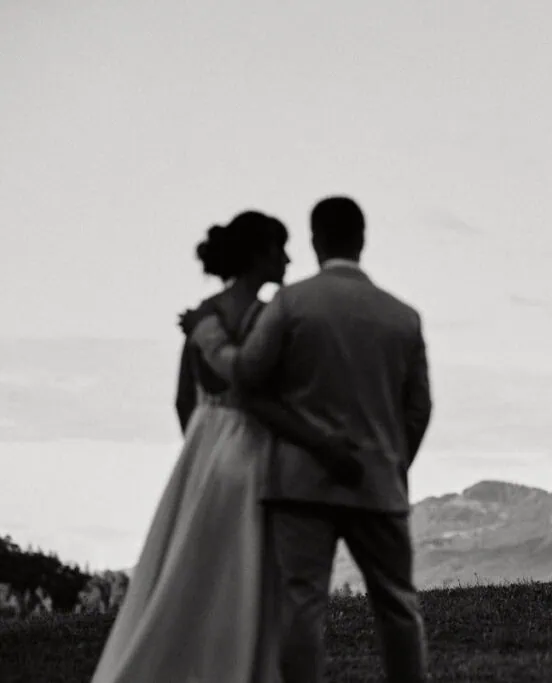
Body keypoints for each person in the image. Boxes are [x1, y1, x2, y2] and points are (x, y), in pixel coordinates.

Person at [90, 210, 360, 683]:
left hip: (204, 446)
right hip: (251, 447)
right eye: (279, 249)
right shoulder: (265, 317)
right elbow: (266, 395)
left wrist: (201, 447)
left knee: (189, 565)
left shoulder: (203, 315)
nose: (287, 259)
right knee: (244, 567)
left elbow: (182, 398)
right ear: (258, 256)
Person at [188, 196, 433, 683]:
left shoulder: (291, 303)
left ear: (316, 239)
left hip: (300, 484)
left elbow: (248, 375)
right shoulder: (403, 317)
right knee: (397, 605)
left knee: (302, 606)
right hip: (377, 483)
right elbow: (419, 407)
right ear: (362, 239)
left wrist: (208, 335)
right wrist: (392, 460)